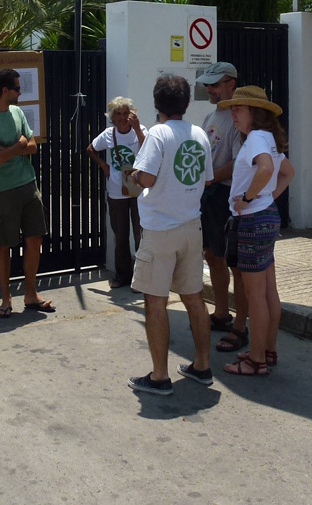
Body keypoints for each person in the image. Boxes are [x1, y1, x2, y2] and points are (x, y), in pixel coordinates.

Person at [126, 74, 213, 395]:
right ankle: (202, 365)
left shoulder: (158, 134)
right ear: (187, 103)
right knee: (194, 298)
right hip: (192, 226)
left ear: (156, 102)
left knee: (156, 302)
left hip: (160, 230)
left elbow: (146, 179)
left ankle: (160, 376)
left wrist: (134, 174)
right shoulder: (199, 134)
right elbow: (204, 180)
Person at [218, 86, 294, 376]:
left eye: (239, 109)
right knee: (268, 291)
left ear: (255, 112)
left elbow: (264, 169)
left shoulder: (255, 140)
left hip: (251, 220)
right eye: (233, 109)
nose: (234, 114)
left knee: (256, 296)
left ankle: (256, 361)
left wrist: (249, 198)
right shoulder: (268, 140)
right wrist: (267, 198)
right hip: (265, 216)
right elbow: (287, 172)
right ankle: (267, 350)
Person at [0, 68, 55, 318]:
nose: (21, 92)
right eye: (17, 88)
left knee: (35, 239)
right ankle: (5, 298)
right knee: (3, 245)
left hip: (28, 184)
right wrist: (18, 144)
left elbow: (32, 146)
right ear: (5, 91)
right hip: (1, 190)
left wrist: (11, 148)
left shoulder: (18, 112)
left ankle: (31, 294)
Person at [194, 61, 247, 349]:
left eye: (214, 84)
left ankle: (240, 326)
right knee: (213, 255)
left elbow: (240, 162)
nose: (209, 89)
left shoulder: (238, 118)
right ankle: (222, 313)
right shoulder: (210, 116)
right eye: (208, 84)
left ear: (231, 83)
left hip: (228, 196)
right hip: (211, 195)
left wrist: (211, 179)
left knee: (235, 264)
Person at [86, 96, 145, 288]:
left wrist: (137, 129)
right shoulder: (108, 134)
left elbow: (150, 150)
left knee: (140, 235)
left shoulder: (141, 130)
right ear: (112, 117)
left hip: (137, 189)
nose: (122, 117)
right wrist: (104, 166)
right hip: (116, 192)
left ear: (132, 114)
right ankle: (122, 276)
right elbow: (91, 149)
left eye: (125, 113)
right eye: (118, 114)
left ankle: (142, 278)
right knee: (120, 236)